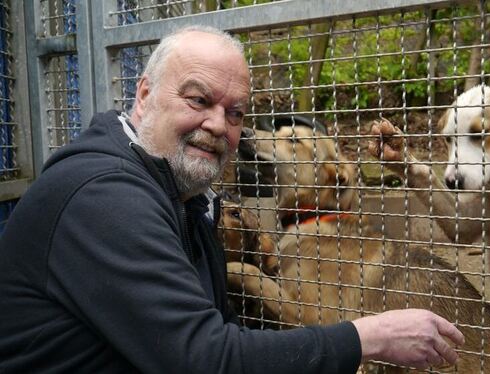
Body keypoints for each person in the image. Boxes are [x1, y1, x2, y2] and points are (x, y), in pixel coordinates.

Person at [0, 26, 464, 373]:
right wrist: (370, 336)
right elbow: (205, 359)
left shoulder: (185, 197)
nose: (220, 125)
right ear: (143, 96)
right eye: (198, 100)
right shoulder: (103, 196)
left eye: (235, 112)